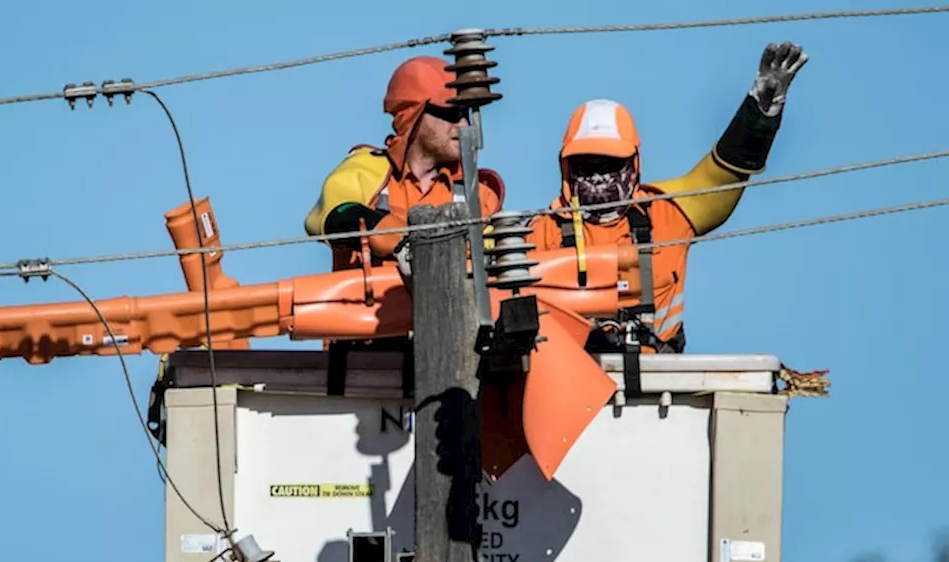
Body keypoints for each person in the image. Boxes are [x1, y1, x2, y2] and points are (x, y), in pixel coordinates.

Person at [525, 41, 809, 354]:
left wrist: (759, 113)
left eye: (610, 164)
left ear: (634, 165)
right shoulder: (537, 234)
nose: (597, 177)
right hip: (566, 390)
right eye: (586, 165)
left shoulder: (666, 214)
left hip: (654, 384)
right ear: (565, 166)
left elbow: (723, 174)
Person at [303, 55, 506, 271]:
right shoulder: (368, 169)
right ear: (413, 114)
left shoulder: (477, 194)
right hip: (374, 304)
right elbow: (333, 215)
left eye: (466, 113)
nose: (464, 124)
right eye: (452, 112)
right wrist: (396, 238)